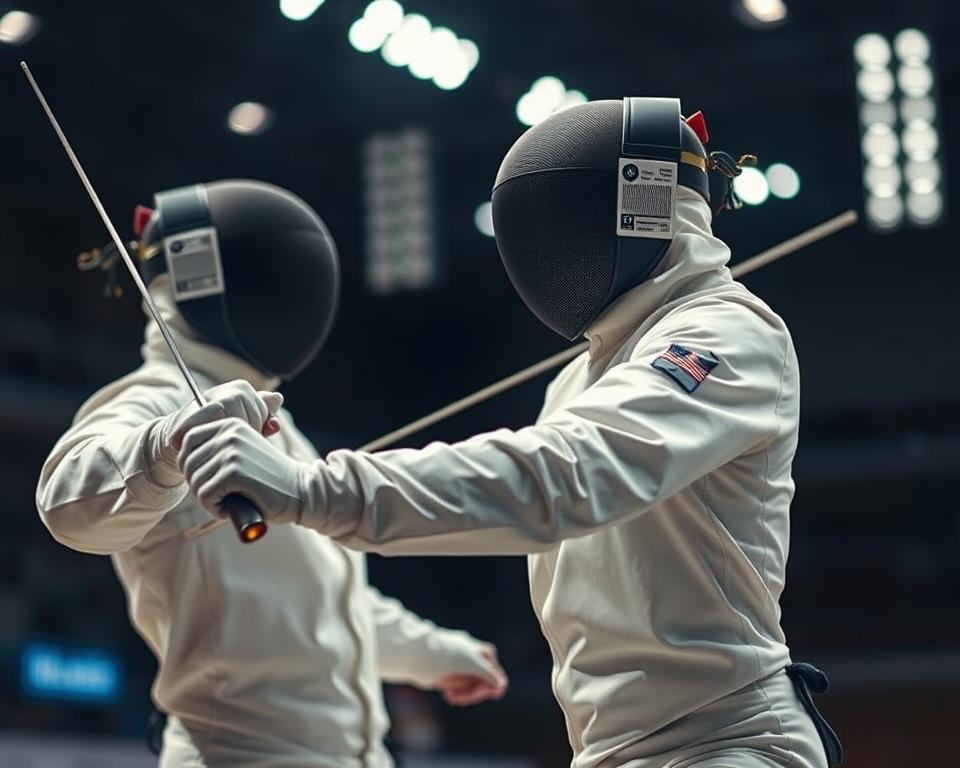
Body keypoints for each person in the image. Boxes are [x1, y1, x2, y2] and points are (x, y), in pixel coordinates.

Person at [174, 103, 843, 767]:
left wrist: (312, 488)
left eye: (560, 218)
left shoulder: (725, 331)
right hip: (607, 751)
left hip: (728, 744)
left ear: (644, 204)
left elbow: (566, 478)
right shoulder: (580, 380)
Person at [36, 180, 507, 768]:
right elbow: (65, 498)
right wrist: (166, 443)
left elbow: (323, 610)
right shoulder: (156, 400)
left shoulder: (270, 423)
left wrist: (437, 654)